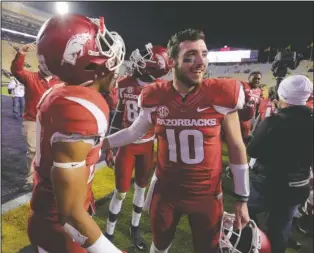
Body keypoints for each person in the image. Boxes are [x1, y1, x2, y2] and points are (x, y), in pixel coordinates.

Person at [102, 28, 250, 253]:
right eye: (190, 56)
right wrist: (100, 144)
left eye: (204, 54)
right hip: (167, 192)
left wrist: (242, 198)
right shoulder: (155, 95)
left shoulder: (221, 93)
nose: (200, 62)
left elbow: (238, 147)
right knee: (160, 245)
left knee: (207, 249)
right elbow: (133, 132)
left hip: (207, 195)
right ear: (171, 62)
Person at [27, 14, 127, 253]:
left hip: (49, 217)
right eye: (101, 47)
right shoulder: (79, 108)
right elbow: (70, 216)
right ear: (80, 58)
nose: (110, 56)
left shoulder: (63, 93)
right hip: (61, 231)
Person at [104, 43, 170, 251]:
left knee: (141, 189)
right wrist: (109, 147)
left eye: (146, 58)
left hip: (147, 147)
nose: (140, 59)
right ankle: (109, 232)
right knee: (120, 192)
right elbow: (116, 116)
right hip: (127, 146)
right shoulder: (124, 83)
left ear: (154, 67)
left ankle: (135, 227)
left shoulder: (161, 89)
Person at [247, 75, 313, 253]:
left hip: (268, 184)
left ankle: (254, 241)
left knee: (246, 216)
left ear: (283, 94)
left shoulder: (273, 122)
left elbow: (252, 151)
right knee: (280, 230)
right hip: (298, 186)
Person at [11, 42, 60, 190]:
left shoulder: (58, 82)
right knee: (33, 149)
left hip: (52, 122)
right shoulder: (30, 77)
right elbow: (16, 70)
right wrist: (22, 53)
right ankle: (30, 179)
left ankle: (47, 175)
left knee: (51, 150)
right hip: (32, 120)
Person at [238, 71, 263, 145]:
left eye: (258, 79)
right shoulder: (243, 85)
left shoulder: (258, 90)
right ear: (249, 78)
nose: (257, 80)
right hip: (238, 118)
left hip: (248, 120)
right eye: (255, 78)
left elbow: (258, 102)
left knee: (245, 142)